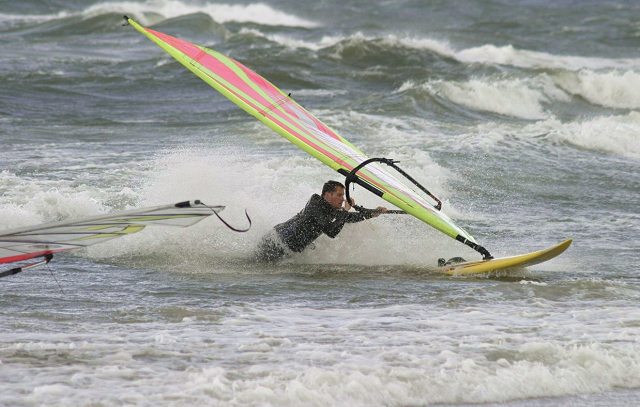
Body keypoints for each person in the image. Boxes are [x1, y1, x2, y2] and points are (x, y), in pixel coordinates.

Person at [256, 180, 388, 261]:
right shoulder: (315, 204)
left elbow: (347, 219)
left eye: (343, 195)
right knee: (256, 268)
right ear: (327, 195)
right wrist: (345, 210)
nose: (343, 199)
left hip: (287, 248)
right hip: (275, 242)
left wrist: (373, 213)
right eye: (339, 195)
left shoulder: (332, 210)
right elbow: (331, 232)